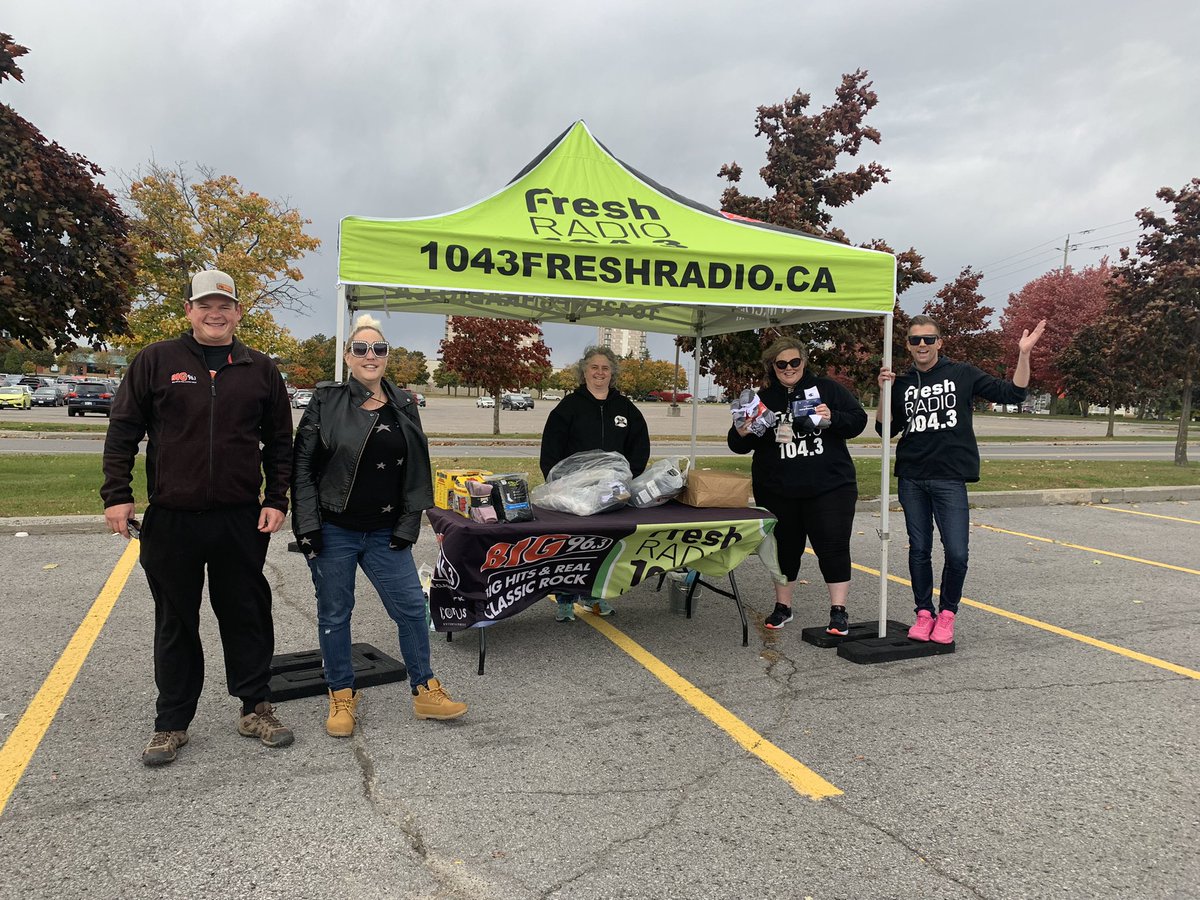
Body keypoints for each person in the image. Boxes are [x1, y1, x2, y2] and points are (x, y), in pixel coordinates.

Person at [102, 269, 295, 767]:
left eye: (225, 305)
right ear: (189, 310)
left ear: (237, 312)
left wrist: (277, 499)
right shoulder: (156, 360)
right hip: (173, 519)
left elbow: (279, 443)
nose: (216, 313)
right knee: (175, 622)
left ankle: (256, 708)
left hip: (239, 518)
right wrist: (117, 494)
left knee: (246, 615)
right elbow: (124, 429)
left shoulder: (260, 368)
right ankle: (172, 722)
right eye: (206, 305)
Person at [292, 314, 466, 736]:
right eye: (362, 349)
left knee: (410, 609)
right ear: (348, 357)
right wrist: (309, 527)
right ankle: (341, 693)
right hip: (335, 530)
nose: (371, 356)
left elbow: (417, 473)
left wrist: (407, 527)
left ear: (388, 357)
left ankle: (425, 688)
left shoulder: (404, 403)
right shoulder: (326, 401)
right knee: (335, 613)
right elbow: (301, 468)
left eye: (380, 349)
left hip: (385, 533)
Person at [877, 315, 1046, 644]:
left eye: (929, 339)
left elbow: (1014, 393)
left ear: (940, 342)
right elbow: (886, 429)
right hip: (912, 476)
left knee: (957, 553)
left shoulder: (962, 373)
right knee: (919, 549)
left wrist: (1024, 354)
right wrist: (883, 390)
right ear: (908, 345)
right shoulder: (901, 382)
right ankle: (924, 612)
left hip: (949, 478)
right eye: (915, 340)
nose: (922, 345)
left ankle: (947, 613)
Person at [727, 338, 868, 634]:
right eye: (782, 364)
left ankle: (838, 611)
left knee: (833, 546)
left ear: (804, 362)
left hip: (830, 487)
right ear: (772, 367)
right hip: (778, 489)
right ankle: (783, 607)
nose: (789, 368)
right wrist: (741, 430)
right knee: (784, 550)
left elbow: (858, 421)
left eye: (795, 362)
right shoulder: (762, 399)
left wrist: (834, 417)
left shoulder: (827, 389)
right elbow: (738, 445)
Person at [539, 345, 650, 621]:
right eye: (594, 367)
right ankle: (565, 598)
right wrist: (559, 487)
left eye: (605, 368)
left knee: (604, 545)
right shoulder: (568, 407)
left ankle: (593, 594)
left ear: (612, 373)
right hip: (575, 494)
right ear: (584, 372)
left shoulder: (625, 408)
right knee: (573, 546)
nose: (599, 373)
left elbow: (640, 447)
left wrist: (628, 481)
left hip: (612, 494)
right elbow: (550, 450)